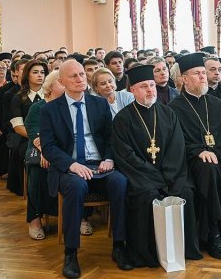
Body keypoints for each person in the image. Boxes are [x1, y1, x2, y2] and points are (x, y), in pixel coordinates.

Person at [41, 60, 130, 277]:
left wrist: (109, 158)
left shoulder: (99, 104)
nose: (80, 79)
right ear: (61, 81)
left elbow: (111, 138)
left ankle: (119, 245)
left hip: (100, 165)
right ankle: (71, 253)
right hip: (70, 167)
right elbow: (49, 147)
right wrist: (72, 165)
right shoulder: (50, 110)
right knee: (76, 186)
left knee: (120, 182)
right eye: (73, 76)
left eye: (82, 74)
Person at [112, 64, 202, 268]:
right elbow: (125, 155)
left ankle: (184, 249)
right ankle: (148, 254)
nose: (150, 90)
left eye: (152, 85)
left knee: (186, 192)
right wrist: (155, 177)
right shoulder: (122, 119)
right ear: (133, 90)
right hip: (141, 177)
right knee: (148, 195)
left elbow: (177, 148)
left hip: (171, 174)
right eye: (144, 86)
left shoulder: (168, 113)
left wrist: (168, 176)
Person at [168, 53, 221, 259]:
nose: (203, 77)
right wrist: (198, 151)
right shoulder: (173, 108)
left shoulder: (217, 103)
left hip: (220, 155)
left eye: (204, 73)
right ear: (184, 79)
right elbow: (177, 144)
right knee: (208, 168)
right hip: (192, 161)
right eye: (197, 73)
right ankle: (213, 234)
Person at [24, 70, 62, 240]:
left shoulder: (69, 105)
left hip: (63, 149)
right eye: (61, 82)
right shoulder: (38, 107)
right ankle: (35, 219)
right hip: (39, 148)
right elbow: (34, 132)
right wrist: (46, 151)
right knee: (39, 169)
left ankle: (81, 215)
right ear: (50, 86)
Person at [7, 60, 48, 196]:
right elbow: (18, 126)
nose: (40, 75)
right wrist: (36, 138)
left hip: (50, 137)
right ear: (27, 75)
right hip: (26, 137)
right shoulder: (18, 98)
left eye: (42, 72)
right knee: (23, 151)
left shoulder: (50, 95)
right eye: (35, 72)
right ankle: (32, 191)